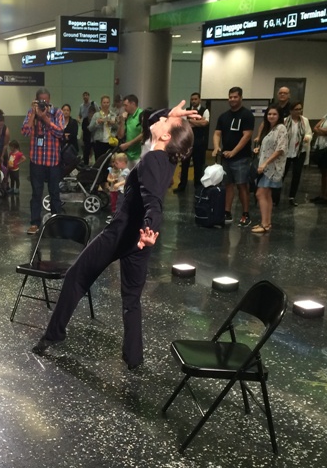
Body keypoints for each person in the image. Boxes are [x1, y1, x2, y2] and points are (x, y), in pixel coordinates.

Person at [31, 102, 196, 370]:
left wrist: (150, 227)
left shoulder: (155, 159)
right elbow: (151, 120)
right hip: (138, 241)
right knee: (131, 300)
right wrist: (171, 114)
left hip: (123, 233)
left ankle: (54, 334)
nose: (161, 119)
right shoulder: (163, 158)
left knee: (76, 276)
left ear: (166, 136)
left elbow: (154, 202)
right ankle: (133, 358)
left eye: (166, 121)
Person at [21, 87, 65, 235]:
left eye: (46, 101)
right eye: (41, 101)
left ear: (50, 100)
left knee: (54, 193)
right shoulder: (31, 112)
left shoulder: (57, 113)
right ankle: (34, 223)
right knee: (36, 194)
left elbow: (60, 132)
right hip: (37, 161)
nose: (44, 104)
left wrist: (45, 118)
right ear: (36, 100)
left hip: (53, 161)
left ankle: (56, 223)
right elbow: (25, 132)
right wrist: (34, 115)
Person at [212, 86, 255, 227]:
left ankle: (245, 214)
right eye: (230, 97)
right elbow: (217, 133)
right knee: (227, 185)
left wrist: (234, 152)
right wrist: (217, 146)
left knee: (242, 185)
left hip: (241, 158)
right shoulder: (223, 116)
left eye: (235, 97)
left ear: (241, 98)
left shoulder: (247, 115)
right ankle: (227, 212)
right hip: (226, 158)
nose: (232, 99)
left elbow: (247, 136)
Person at [252, 106, 287, 233]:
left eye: (274, 114)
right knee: (266, 194)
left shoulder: (281, 128)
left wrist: (266, 163)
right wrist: (259, 150)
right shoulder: (269, 129)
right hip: (265, 165)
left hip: (271, 167)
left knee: (260, 194)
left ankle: (264, 223)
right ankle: (266, 222)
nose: (271, 116)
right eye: (269, 114)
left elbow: (280, 149)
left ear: (279, 116)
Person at [175, 92, 209, 193]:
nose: (193, 101)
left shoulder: (205, 110)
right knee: (184, 165)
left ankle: (198, 186)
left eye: (195, 99)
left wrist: (192, 121)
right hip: (188, 142)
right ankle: (182, 186)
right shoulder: (187, 110)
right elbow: (183, 123)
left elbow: (205, 123)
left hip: (200, 143)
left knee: (198, 165)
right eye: (192, 99)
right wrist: (199, 121)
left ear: (199, 100)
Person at [280, 101, 312, 206]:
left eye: (300, 109)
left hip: (299, 151)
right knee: (282, 174)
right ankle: (276, 195)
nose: (299, 111)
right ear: (291, 111)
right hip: (286, 152)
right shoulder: (285, 121)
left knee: (297, 174)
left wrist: (307, 137)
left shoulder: (304, 121)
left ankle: (292, 197)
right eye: (296, 109)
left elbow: (309, 132)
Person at [117, 94, 143, 169]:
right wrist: (122, 121)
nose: (124, 108)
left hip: (139, 154)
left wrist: (128, 144)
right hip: (129, 155)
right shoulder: (127, 116)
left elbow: (144, 134)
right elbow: (120, 135)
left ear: (133, 104)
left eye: (126, 105)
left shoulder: (141, 115)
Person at [89, 95, 118, 160]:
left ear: (109, 103)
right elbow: (90, 128)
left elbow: (117, 128)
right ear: (101, 103)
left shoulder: (113, 114)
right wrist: (97, 122)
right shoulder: (96, 115)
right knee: (99, 161)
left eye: (107, 102)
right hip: (99, 142)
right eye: (104, 102)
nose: (106, 104)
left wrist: (113, 123)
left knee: (110, 162)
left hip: (110, 142)